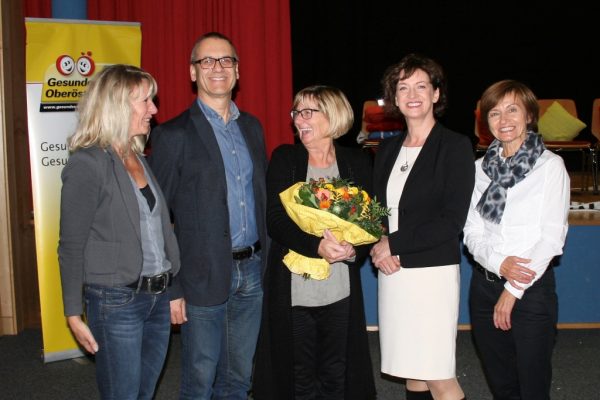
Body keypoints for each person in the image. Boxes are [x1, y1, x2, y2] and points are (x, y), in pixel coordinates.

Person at [148, 32, 268, 400]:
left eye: (226, 60)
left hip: (251, 271)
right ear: (192, 72)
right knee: (199, 380)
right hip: (200, 276)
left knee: (239, 377)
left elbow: (260, 198)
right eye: (207, 61)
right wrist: (173, 287)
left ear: (237, 71)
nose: (218, 68)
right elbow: (156, 218)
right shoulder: (172, 135)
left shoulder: (252, 127)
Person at [58, 64, 180, 399]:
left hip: (157, 297)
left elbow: (159, 232)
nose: (153, 109)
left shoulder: (139, 157)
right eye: (145, 101)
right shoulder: (88, 163)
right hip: (116, 300)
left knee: (144, 392)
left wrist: (173, 287)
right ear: (117, 105)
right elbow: (70, 245)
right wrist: (72, 313)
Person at [253, 85, 376, 400]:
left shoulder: (356, 162)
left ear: (333, 116)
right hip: (295, 290)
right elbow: (276, 221)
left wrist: (354, 249)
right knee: (300, 379)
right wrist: (316, 246)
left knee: (336, 374)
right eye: (297, 112)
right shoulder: (286, 158)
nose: (299, 119)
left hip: (340, 289)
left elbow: (371, 221)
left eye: (309, 112)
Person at [370, 54, 474, 400]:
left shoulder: (455, 146)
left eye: (420, 86)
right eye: (403, 87)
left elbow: (451, 221)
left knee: (437, 373)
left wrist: (392, 244)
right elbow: (376, 211)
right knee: (411, 372)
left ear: (435, 94)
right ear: (395, 98)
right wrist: (379, 243)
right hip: (393, 272)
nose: (411, 94)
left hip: (432, 275)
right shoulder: (386, 149)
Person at [463, 80, 569, 400]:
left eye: (513, 110)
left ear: (529, 116)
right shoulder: (478, 169)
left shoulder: (550, 167)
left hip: (531, 290)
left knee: (532, 385)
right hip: (483, 288)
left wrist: (512, 288)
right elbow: (472, 232)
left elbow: (551, 239)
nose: (504, 119)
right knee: (502, 384)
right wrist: (499, 264)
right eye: (494, 113)